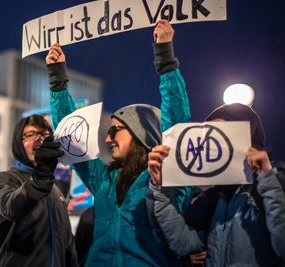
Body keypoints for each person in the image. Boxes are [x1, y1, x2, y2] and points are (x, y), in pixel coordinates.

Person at [46, 19, 192, 266]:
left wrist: (165, 58)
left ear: (142, 134)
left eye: (116, 130)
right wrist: (57, 81)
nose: (107, 138)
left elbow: (176, 125)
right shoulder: (103, 179)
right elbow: (71, 135)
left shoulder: (165, 178)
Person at [147, 103, 285, 266]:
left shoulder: (279, 180)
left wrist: (268, 179)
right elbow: (183, 244)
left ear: (249, 136)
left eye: (225, 133)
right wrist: (161, 189)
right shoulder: (214, 196)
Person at [0, 114, 78, 266]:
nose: (38, 138)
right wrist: (40, 179)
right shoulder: (6, 179)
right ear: (18, 143)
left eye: (44, 134)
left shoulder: (56, 190)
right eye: (30, 135)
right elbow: (11, 208)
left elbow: (68, 245)